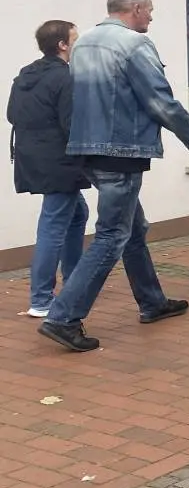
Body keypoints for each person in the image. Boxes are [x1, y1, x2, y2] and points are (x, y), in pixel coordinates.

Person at [38, 0, 189, 353]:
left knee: (133, 229)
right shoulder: (134, 45)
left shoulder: (83, 43)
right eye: (149, 10)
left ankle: (152, 302)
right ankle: (63, 317)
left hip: (90, 150)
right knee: (112, 235)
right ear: (134, 8)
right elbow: (160, 101)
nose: (151, 17)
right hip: (121, 152)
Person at [8, 21, 89, 319]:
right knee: (53, 226)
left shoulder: (26, 74)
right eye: (75, 39)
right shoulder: (65, 77)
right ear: (63, 46)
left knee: (76, 213)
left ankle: (74, 283)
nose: (78, 44)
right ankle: (41, 299)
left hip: (34, 159)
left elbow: (11, 114)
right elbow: (72, 125)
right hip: (60, 162)